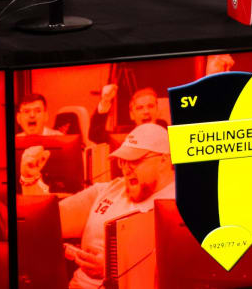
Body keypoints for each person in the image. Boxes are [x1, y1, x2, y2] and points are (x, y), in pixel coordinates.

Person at [22, 123, 174, 289]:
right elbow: (44, 221)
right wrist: (30, 179)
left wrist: (115, 269)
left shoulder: (178, 207)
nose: (126, 169)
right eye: (122, 161)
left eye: (134, 161)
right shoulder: (108, 190)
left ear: (163, 160)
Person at [89, 84, 168, 144]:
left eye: (150, 106)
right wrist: (105, 101)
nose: (146, 111)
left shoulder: (168, 133)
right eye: (139, 108)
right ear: (132, 115)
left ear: (158, 110)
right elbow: (95, 135)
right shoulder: (126, 139)